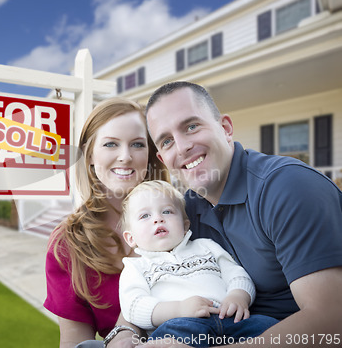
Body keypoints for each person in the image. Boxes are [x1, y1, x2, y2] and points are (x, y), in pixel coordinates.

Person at [134, 81, 342, 347]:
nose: (182, 146)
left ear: (225, 128)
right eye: (167, 141)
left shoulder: (288, 187)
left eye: (191, 126)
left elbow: (331, 319)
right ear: (163, 158)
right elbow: (144, 271)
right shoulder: (184, 213)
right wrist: (124, 332)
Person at [44, 97, 169, 347]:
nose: (125, 156)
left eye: (137, 144)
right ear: (89, 155)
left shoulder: (181, 216)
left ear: (150, 154)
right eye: (111, 144)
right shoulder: (68, 244)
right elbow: (75, 342)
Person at [119, 180, 277, 347]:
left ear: (185, 225)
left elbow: (236, 273)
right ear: (131, 238)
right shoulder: (135, 267)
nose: (158, 219)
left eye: (167, 211)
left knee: (269, 327)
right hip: (181, 325)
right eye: (145, 216)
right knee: (165, 341)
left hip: (230, 319)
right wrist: (179, 309)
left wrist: (238, 295)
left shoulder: (206, 246)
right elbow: (134, 306)